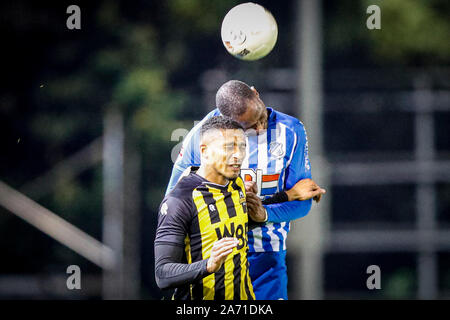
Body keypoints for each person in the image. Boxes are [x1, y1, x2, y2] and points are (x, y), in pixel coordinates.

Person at [166, 80, 325, 300]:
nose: (260, 127)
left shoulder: (291, 131)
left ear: (256, 93)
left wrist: (266, 214)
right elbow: (174, 204)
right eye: (250, 127)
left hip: (266, 258)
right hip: (214, 258)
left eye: (261, 117)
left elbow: (304, 201)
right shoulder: (203, 135)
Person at [154, 116, 267, 300]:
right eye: (229, 147)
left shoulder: (237, 184)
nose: (238, 155)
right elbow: (162, 274)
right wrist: (208, 265)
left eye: (243, 146)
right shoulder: (180, 200)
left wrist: (259, 216)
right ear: (204, 151)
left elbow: (225, 228)